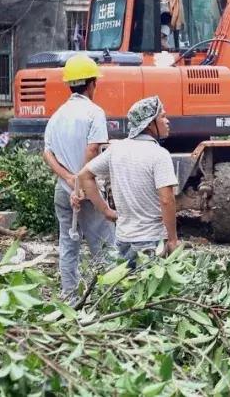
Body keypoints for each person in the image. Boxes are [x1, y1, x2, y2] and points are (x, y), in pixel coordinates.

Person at [41, 54, 114, 298]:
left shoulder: (57, 116)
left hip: (63, 190)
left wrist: (69, 179)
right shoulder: (94, 112)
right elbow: (93, 149)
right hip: (87, 190)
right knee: (104, 245)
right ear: (92, 83)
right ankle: (109, 297)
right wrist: (82, 183)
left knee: (67, 244)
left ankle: (69, 295)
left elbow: (47, 153)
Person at [79, 96, 180, 267]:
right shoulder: (159, 154)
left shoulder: (116, 150)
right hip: (151, 242)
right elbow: (166, 199)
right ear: (149, 124)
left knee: (126, 290)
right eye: (162, 117)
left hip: (123, 240)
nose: (167, 121)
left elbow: (84, 175)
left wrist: (105, 210)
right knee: (150, 292)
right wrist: (172, 239)